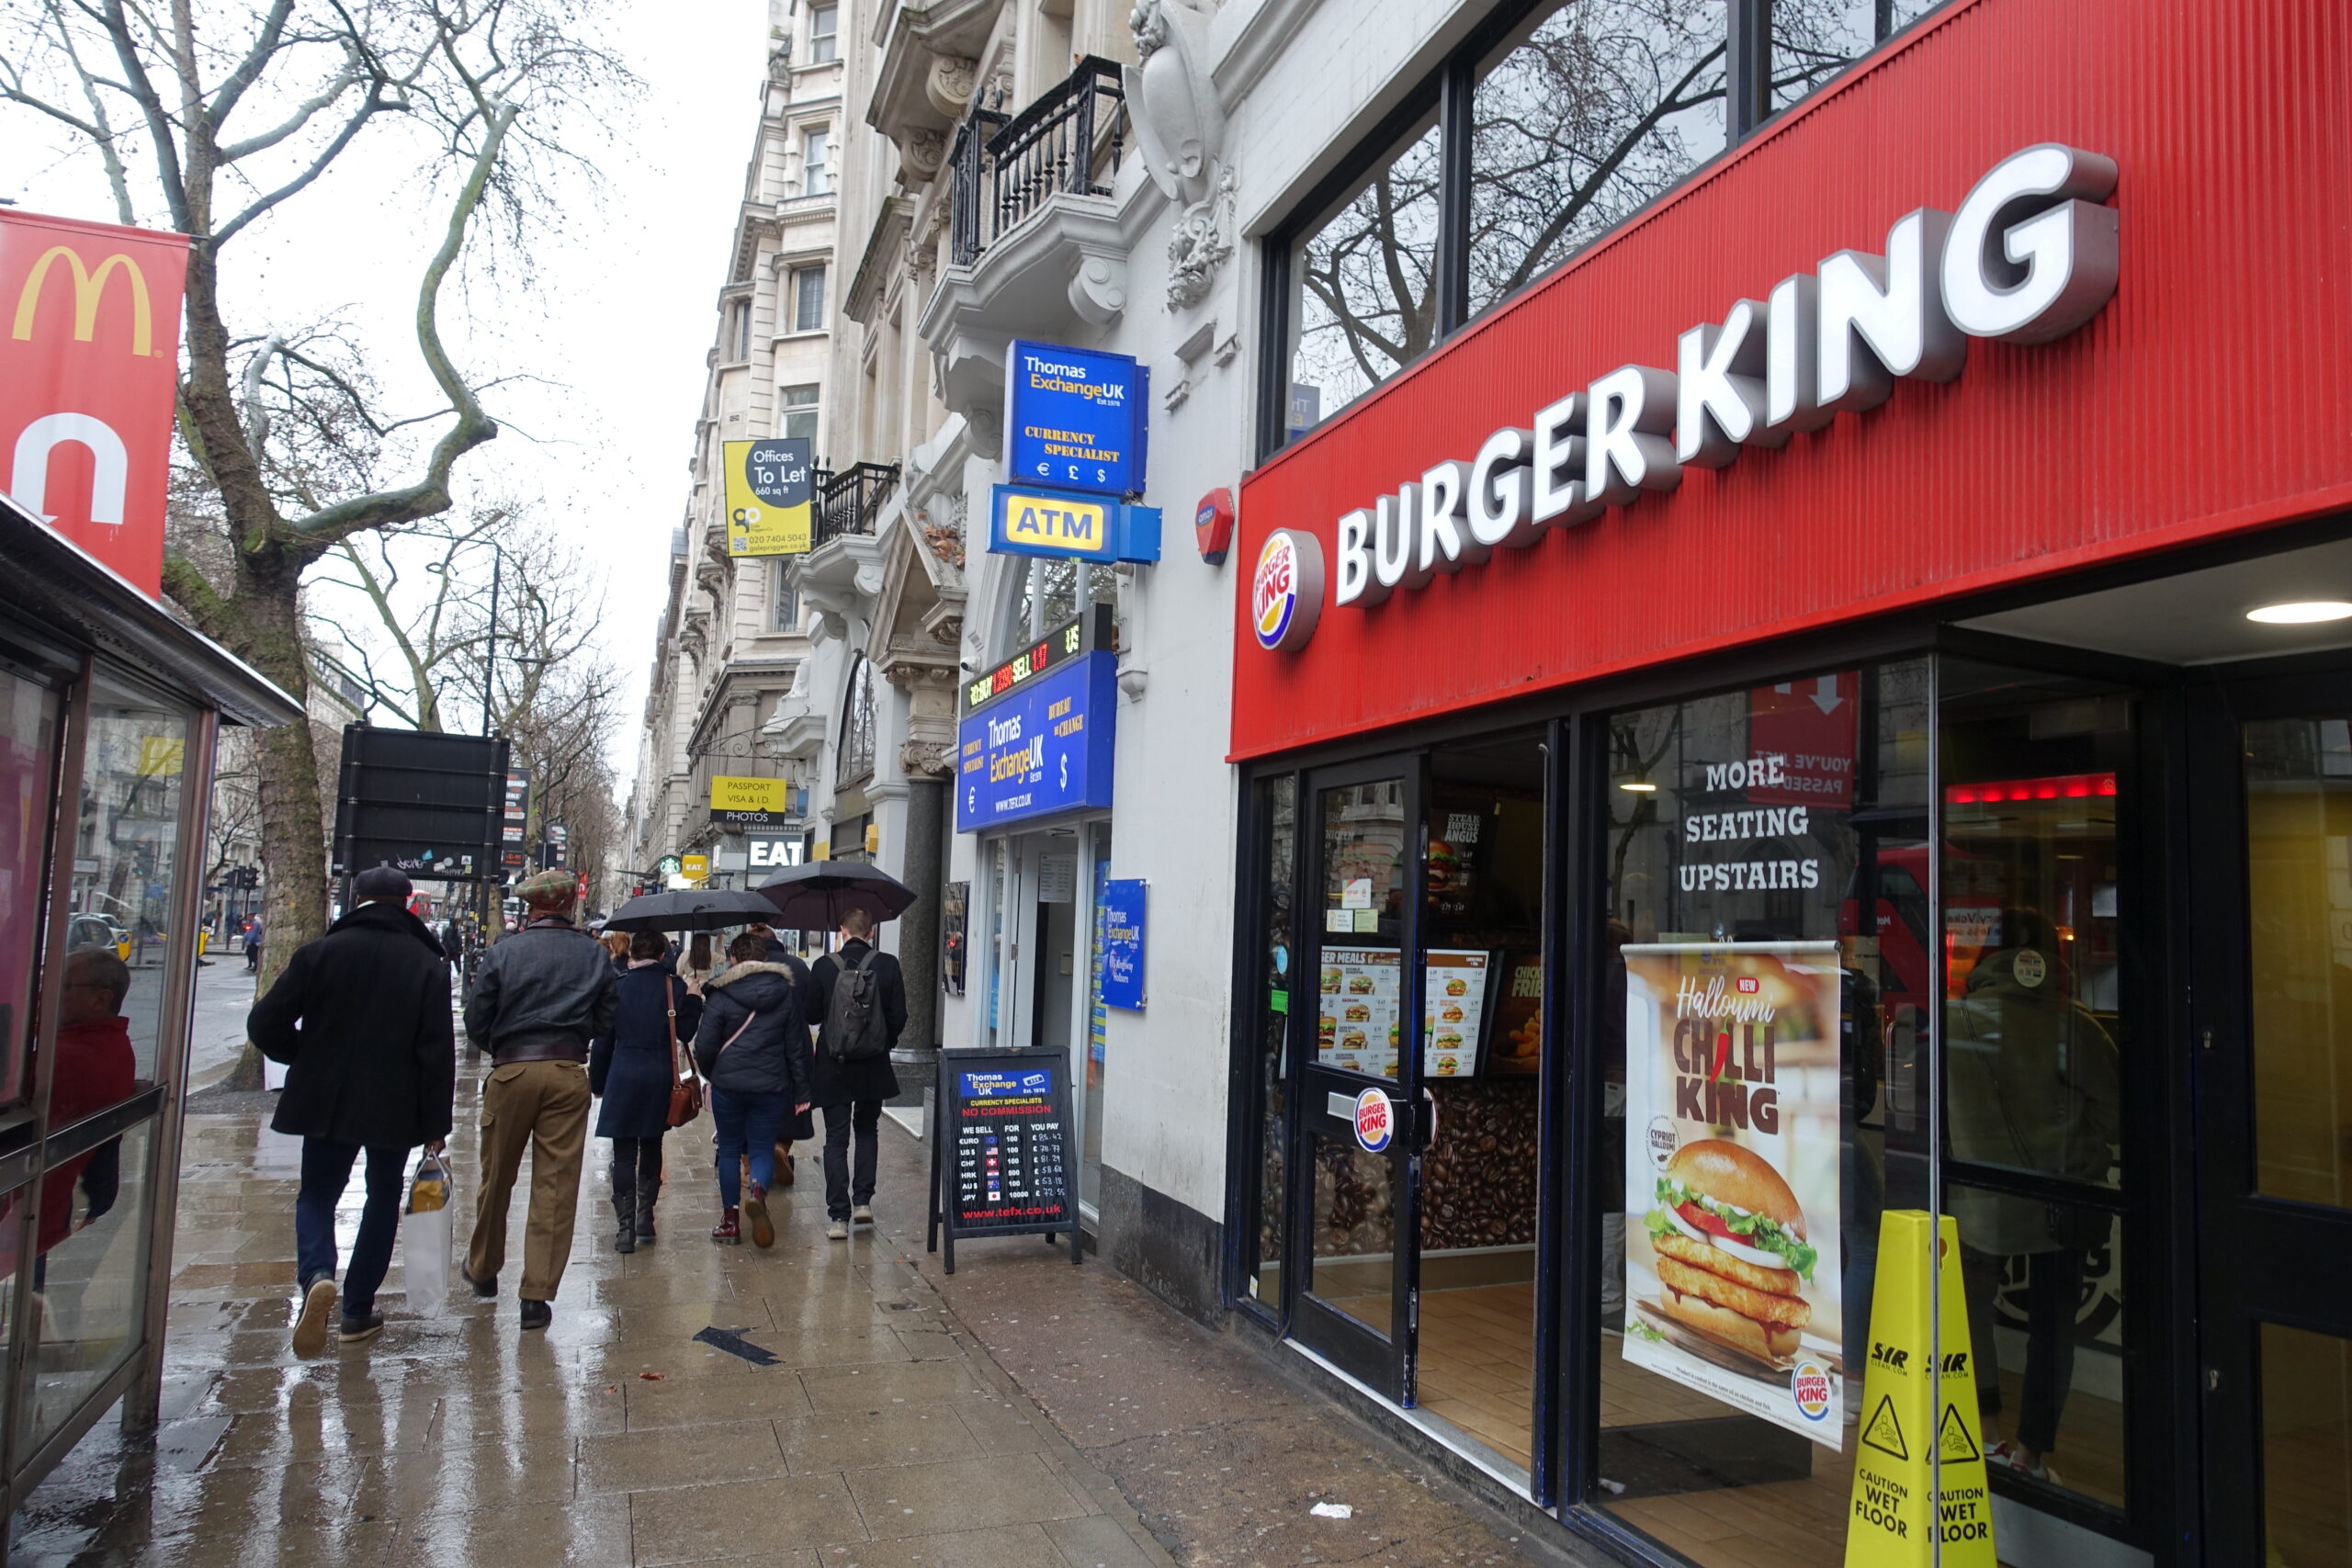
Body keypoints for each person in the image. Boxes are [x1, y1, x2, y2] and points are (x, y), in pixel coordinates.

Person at [247, 866, 456, 1356]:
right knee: (382, 1197)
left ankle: (318, 1272)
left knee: (318, 1192)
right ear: (409, 904)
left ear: (356, 898)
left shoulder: (319, 952)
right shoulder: (427, 963)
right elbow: (436, 1051)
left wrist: (305, 1055)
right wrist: (435, 1125)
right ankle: (358, 1309)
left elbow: (264, 1022)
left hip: (326, 1096)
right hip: (395, 1100)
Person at [1946, 908, 2120, 1483]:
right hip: (2061, 1203)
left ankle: (1987, 1434)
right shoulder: (2075, 1025)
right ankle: (2032, 1454)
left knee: (1972, 1314)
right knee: (2054, 1329)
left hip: (1979, 1202)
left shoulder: (1952, 1022)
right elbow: (2117, 1114)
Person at [460, 867, 616, 1331]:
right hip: (568, 1070)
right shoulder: (594, 955)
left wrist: (505, 1048)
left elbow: (476, 1018)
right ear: (570, 906)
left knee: (496, 1177)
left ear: (531, 907)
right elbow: (608, 1018)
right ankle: (536, 1296)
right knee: (555, 1185)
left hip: (511, 1069)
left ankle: (485, 1269)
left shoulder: (504, 952)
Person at [694, 931, 810, 1247]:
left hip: (729, 1086)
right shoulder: (784, 992)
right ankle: (758, 1192)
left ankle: (730, 1221)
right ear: (764, 959)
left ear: (733, 959)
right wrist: (802, 1093)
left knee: (730, 1149)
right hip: (771, 1086)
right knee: (761, 1148)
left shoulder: (720, 993)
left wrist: (712, 1073)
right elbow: (796, 1046)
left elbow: (704, 1045)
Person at [590, 930, 700, 1252]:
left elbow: (603, 1040)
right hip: (658, 1075)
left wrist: (598, 1083)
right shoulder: (673, 986)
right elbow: (686, 1031)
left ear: (632, 955)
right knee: (652, 1144)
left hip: (622, 1074)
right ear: (663, 955)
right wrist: (692, 998)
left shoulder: (616, 986)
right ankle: (645, 1218)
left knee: (623, 1153)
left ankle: (624, 1229)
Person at [807, 908, 905, 1241]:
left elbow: (809, 1013)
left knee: (835, 1139)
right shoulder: (888, 964)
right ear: (871, 932)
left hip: (834, 1064)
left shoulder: (823, 966)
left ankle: (838, 1217)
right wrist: (880, 1042)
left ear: (842, 931)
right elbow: (899, 1016)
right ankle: (863, 1200)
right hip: (873, 1065)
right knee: (867, 1128)